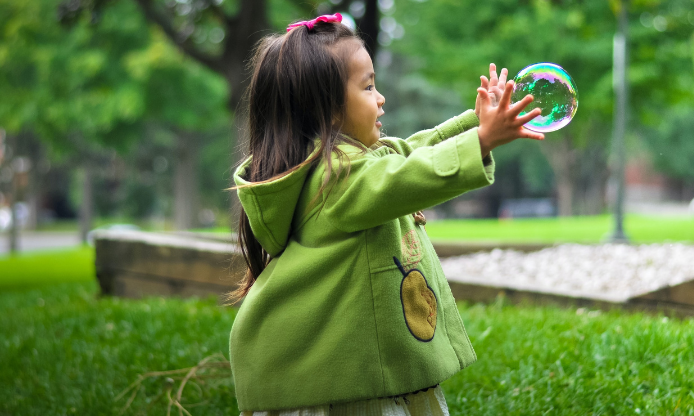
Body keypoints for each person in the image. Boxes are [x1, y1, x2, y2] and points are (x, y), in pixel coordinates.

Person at [227, 13, 544, 416]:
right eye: (368, 86)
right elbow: (407, 175)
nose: (381, 98)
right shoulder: (336, 179)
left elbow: (408, 152)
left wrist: (475, 125)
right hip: (348, 393)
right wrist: (480, 140)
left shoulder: (343, 165)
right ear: (330, 110)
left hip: (357, 376)